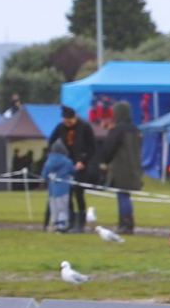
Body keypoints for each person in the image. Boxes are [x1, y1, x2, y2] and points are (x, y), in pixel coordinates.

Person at [49, 105, 96, 233]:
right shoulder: (60, 128)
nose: (67, 123)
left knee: (79, 194)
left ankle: (80, 223)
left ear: (75, 117)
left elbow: (92, 147)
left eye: (69, 120)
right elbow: (51, 143)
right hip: (65, 167)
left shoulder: (85, 127)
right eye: (65, 120)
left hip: (80, 166)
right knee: (66, 195)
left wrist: (83, 161)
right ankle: (69, 220)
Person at [99, 101, 143, 235]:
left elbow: (108, 149)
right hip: (134, 166)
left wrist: (105, 161)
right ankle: (128, 223)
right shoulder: (136, 129)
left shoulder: (117, 130)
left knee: (122, 195)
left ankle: (125, 224)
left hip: (120, 167)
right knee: (126, 195)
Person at [41, 140, 76, 232]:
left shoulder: (49, 160)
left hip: (52, 189)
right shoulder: (67, 161)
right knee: (63, 207)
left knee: (54, 207)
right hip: (63, 188)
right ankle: (62, 226)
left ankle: (55, 224)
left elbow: (44, 174)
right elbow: (73, 171)